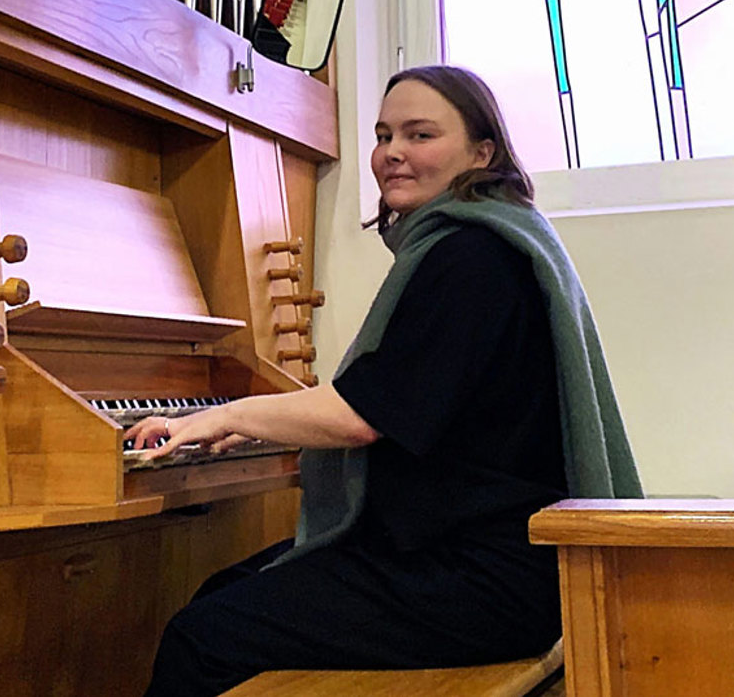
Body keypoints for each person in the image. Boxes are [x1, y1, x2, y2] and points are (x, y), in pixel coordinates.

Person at [125, 65, 643, 697]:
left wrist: (225, 415)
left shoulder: (470, 259)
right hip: (471, 557)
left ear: (482, 152)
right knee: (221, 596)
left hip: (481, 579)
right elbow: (394, 399)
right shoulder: (485, 241)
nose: (392, 153)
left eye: (420, 135)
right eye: (383, 134)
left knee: (201, 638)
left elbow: (359, 415)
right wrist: (256, 425)